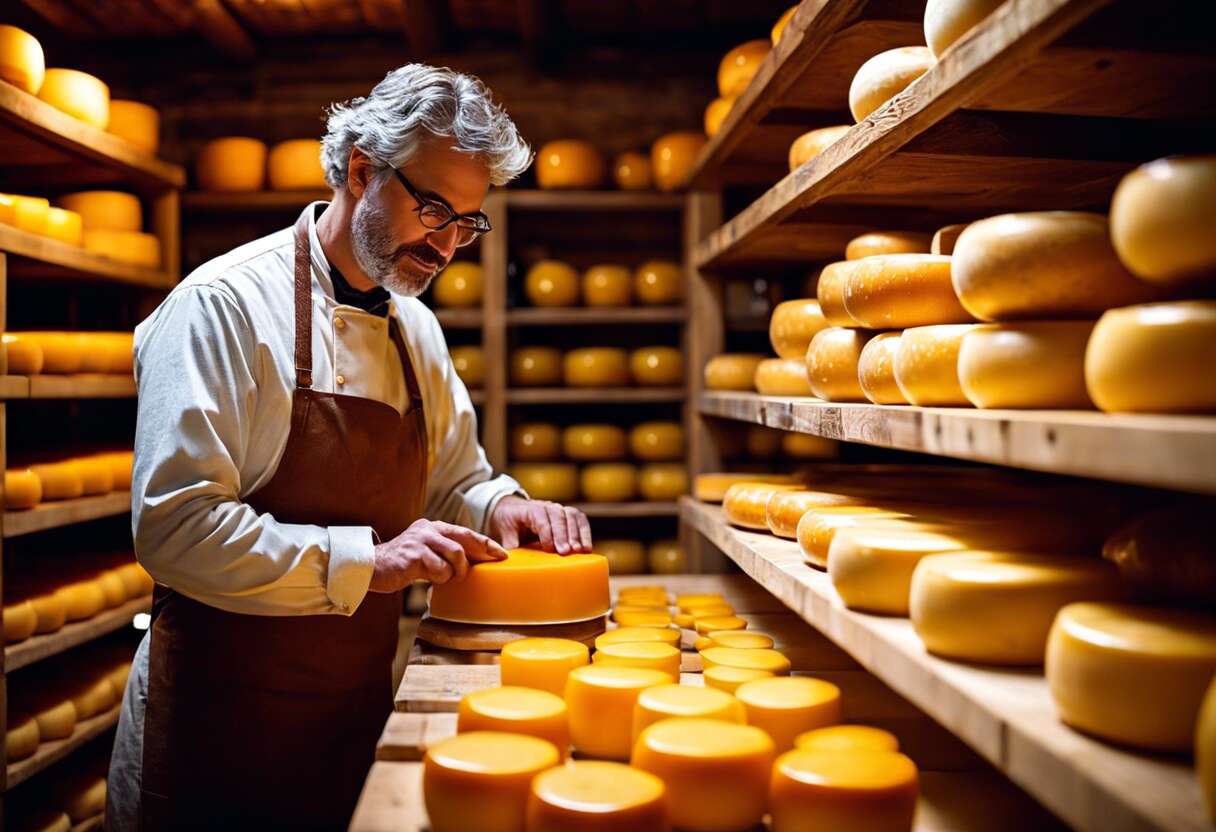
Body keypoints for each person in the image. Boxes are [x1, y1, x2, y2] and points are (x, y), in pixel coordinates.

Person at [107, 64, 591, 830]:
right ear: (362, 171)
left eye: (468, 222)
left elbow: (453, 477)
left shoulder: (414, 326)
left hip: (350, 725)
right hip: (215, 738)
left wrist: (503, 505)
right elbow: (174, 529)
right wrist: (371, 560)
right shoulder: (223, 307)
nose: (448, 246)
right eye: (434, 209)